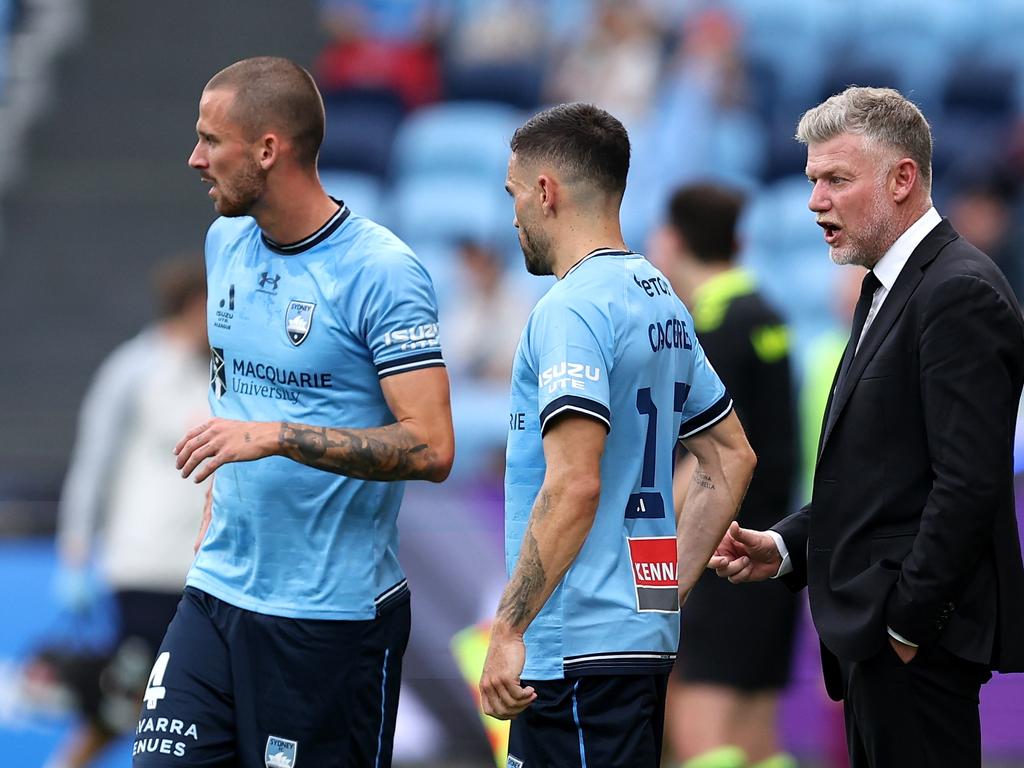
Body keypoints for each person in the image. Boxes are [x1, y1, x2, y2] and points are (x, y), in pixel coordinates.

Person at [134, 57, 454, 768]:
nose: (195, 158)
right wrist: (222, 499)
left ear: (269, 149)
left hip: (327, 618)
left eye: (211, 140)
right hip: (217, 592)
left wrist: (277, 437)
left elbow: (432, 448)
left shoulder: (381, 271)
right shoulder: (225, 243)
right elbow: (236, 394)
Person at [709, 86, 1024, 768]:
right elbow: (883, 476)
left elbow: (966, 485)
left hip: (913, 647)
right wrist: (786, 545)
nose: (815, 201)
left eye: (835, 180)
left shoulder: (958, 292)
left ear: (903, 179)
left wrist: (908, 623)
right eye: (813, 180)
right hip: (879, 648)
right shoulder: (889, 288)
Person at [478, 102, 757, 767]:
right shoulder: (656, 293)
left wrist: (510, 626)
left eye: (514, 194)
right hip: (631, 642)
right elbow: (731, 457)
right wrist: (659, 599)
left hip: (573, 651)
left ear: (545, 192)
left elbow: (574, 481)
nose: (513, 215)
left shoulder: (571, 308)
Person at [650, 183, 798, 768]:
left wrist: (649, 546)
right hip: (774, 549)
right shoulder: (768, 314)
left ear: (674, 241)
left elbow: (710, 460)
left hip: (719, 551)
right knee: (758, 736)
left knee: (699, 732)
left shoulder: (710, 327)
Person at [45, 259, 209, 768]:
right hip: (145, 565)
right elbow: (92, 463)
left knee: (188, 704)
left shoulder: (225, 370)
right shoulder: (135, 368)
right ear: (195, 306)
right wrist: (75, 553)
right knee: (127, 702)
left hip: (203, 570)